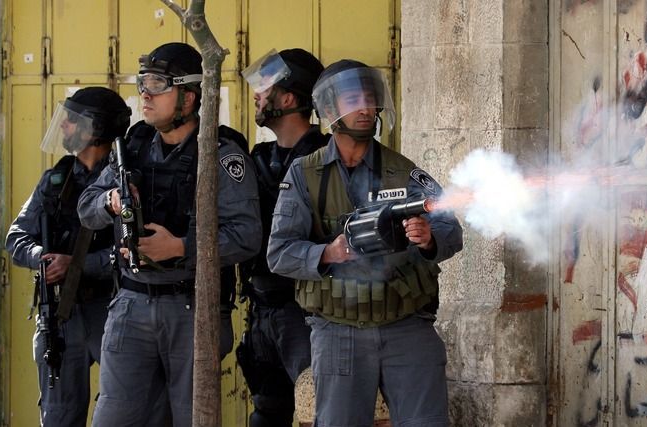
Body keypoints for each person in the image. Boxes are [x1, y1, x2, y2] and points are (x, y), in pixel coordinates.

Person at [267, 60, 463, 426]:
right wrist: (329, 252)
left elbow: (451, 229)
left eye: (370, 99)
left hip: (405, 326)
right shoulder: (304, 174)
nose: (365, 108)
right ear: (328, 111)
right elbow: (279, 253)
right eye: (352, 99)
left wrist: (428, 238)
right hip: (338, 330)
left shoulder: (402, 170)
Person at [77, 42, 261, 427]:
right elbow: (87, 209)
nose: (146, 94)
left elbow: (247, 236)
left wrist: (179, 247)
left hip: (191, 306)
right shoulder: (133, 147)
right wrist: (111, 200)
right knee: (112, 417)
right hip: (130, 300)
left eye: (158, 84)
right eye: (143, 83)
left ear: (189, 97)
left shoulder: (221, 154)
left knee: (193, 418)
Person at [5, 86, 131, 427]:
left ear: (98, 128)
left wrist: (76, 266)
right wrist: (41, 257)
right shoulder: (55, 179)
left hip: (112, 310)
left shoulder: (123, 180)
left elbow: (131, 251)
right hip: (62, 317)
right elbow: (15, 237)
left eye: (73, 121)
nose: (63, 127)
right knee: (58, 416)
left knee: (126, 411)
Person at [237, 48, 328, 427]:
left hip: (304, 313)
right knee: (267, 413)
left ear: (288, 99)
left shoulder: (325, 158)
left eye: (266, 87)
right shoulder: (256, 158)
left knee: (316, 411)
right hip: (261, 309)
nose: (257, 95)